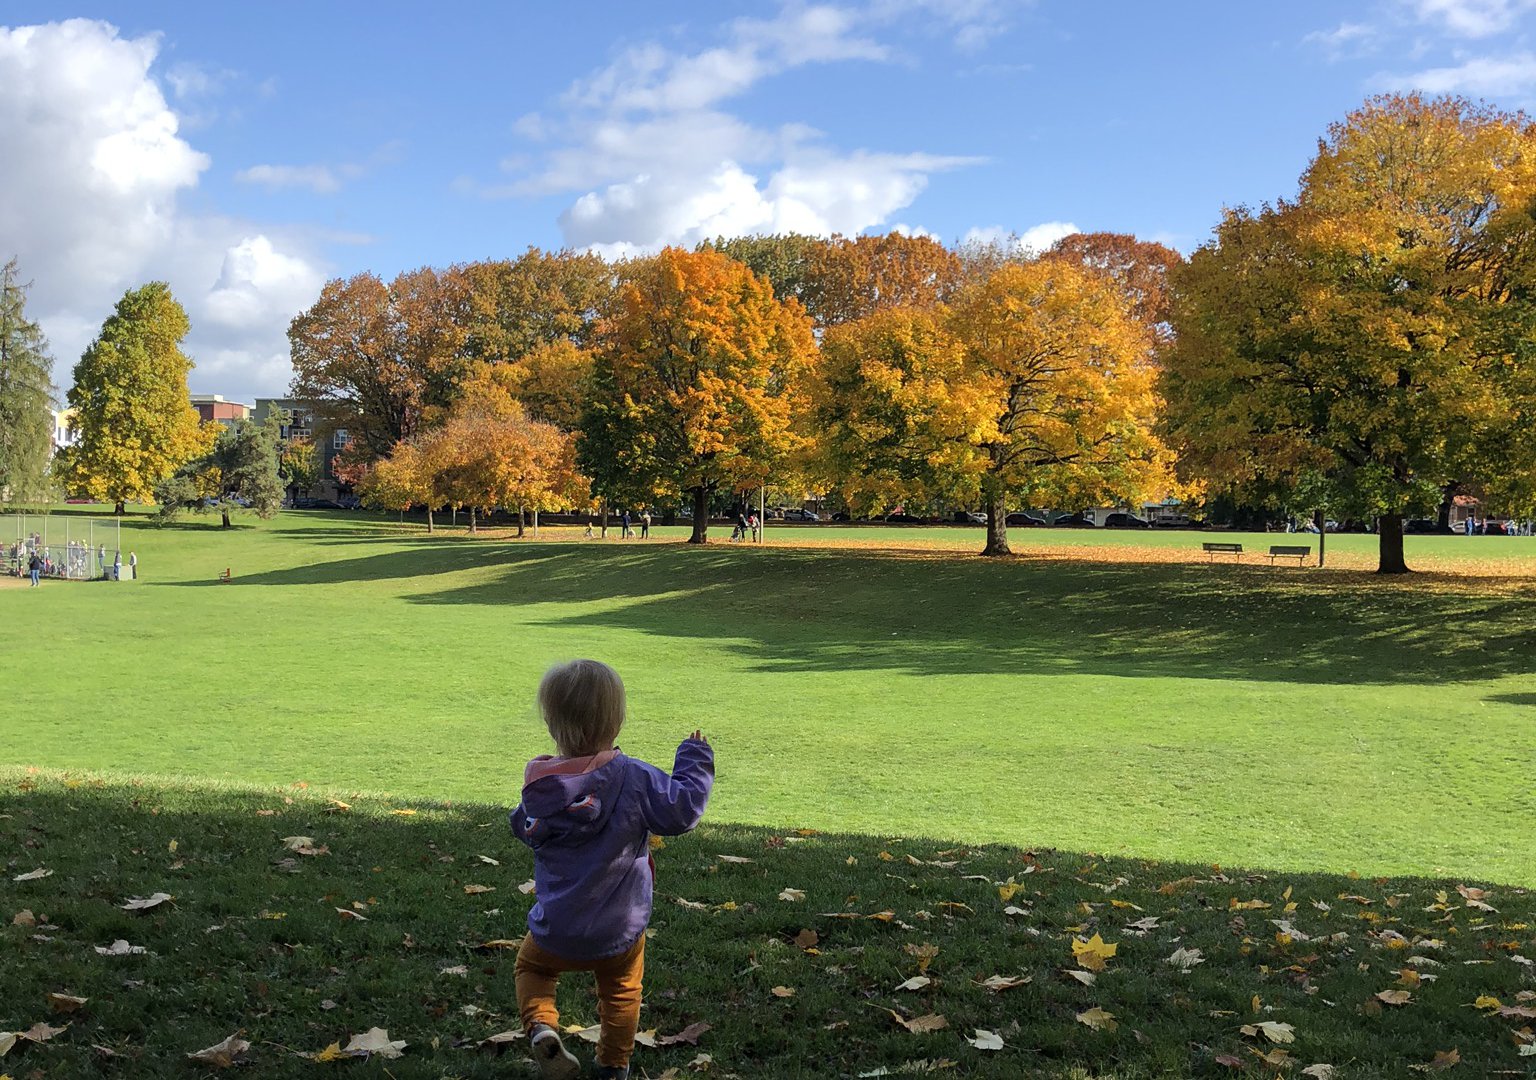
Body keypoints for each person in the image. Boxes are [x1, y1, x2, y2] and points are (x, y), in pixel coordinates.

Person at [511, 660, 714, 1080]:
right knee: (622, 993)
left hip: (557, 926)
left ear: (551, 722)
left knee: (532, 969)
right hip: (620, 927)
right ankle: (613, 1066)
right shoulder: (634, 777)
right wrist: (694, 759)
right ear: (617, 720)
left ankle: (542, 1026)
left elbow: (524, 826)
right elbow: (681, 812)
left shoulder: (541, 786)